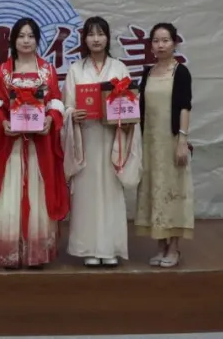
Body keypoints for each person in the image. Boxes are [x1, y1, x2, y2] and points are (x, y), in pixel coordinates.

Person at [0, 17, 69, 269]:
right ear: (13, 41)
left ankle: (36, 252)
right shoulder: (3, 71)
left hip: (39, 146)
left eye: (31, 36)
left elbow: (55, 101)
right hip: (11, 146)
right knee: (10, 191)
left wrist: (50, 120)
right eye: (21, 36)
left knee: (38, 192)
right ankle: (11, 250)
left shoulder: (47, 70)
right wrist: (3, 123)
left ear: (37, 40)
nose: (26, 41)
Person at [62, 16, 141, 267]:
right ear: (84, 39)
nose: (96, 39)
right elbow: (66, 106)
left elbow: (131, 103)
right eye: (91, 34)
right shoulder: (76, 69)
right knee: (86, 195)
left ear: (108, 37)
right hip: (86, 138)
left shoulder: (119, 68)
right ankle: (88, 248)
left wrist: (125, 118)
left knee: (111, 193)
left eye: (101, 34)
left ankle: (110, 248)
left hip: (112, 138)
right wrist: (72, 114)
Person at [134, 22, 194, 268]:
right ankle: (160, 244)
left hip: (170, 141)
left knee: (173, 191)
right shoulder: (147, 73)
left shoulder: (180, 72)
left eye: (165, 40)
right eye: (156, 41)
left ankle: (174, 247)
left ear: (174, 43)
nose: (160, 45)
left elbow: (184, 107)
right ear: (151, 45)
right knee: (153, 190)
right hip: (149, 142)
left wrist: (182, 139)